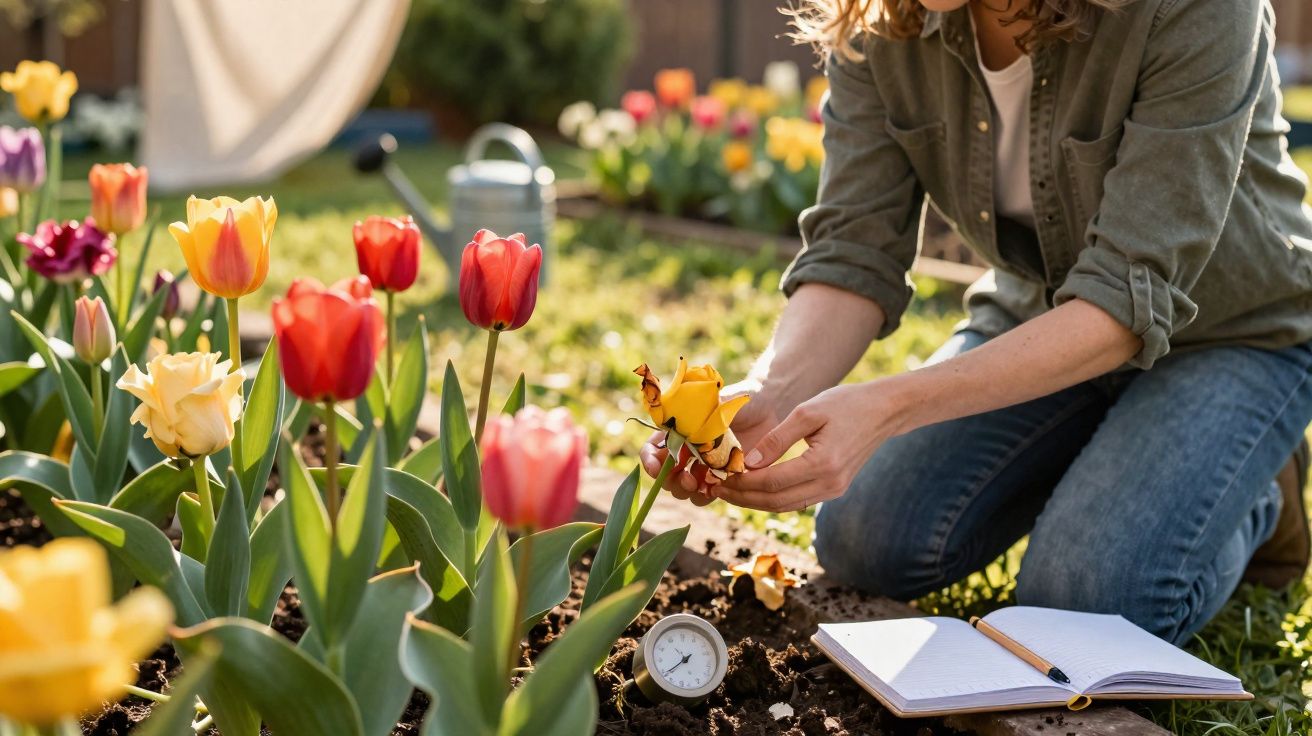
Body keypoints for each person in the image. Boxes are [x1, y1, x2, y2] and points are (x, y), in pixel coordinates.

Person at [641, 0, 1312, 645]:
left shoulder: (1193, 7)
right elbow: (854, 252)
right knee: (862, 535)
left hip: (1233, 334)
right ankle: (1112, 455)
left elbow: (1125, 296)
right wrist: (770, 392)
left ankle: (1257, 497)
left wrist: (891, 407)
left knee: (1085, 599)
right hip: (1040, 318)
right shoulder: (878, 20)